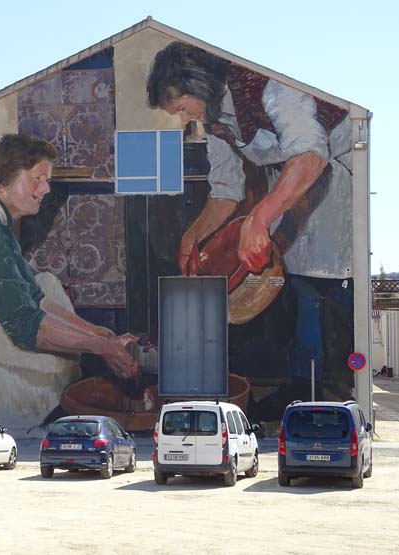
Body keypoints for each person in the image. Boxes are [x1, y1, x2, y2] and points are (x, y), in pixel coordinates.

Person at [146, 42, 354, 411]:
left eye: (180, 108)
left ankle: (337, 391)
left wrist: (260, 217)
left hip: (336, 176)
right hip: (292, 187)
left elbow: (309, 154)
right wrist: (192, 236)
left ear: (199, 83)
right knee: (299, 288)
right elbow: (226, 191)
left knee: (329, 286)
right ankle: (301, 386)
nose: (183, 119)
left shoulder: (271, 84)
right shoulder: (213, 120)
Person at [0, 134, 138, 427]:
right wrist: (101, 347)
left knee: (47, 283)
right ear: (3, 181)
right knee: (58, 371)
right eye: (37, 178)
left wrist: (101, 335)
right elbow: (23, 322)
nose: (46, 188)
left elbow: (35, 297)